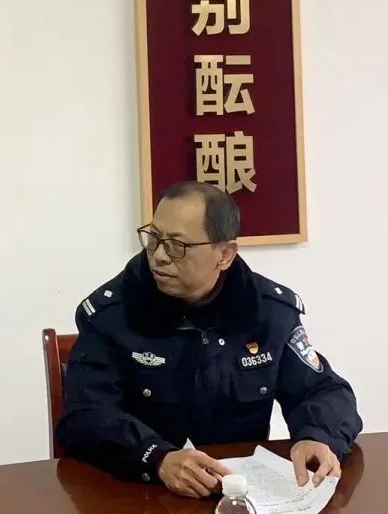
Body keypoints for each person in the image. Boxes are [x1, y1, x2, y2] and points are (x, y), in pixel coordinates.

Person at [56, 181, 361, 499]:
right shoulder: (112, 315)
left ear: (224, 255)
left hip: (241, 494)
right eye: (154, 238)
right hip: (141, 492)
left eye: (177, 245)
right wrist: (157, 458)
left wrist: (318, 436)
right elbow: (85, 415)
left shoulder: (267, 312)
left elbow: (323, 390)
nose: (159, 256)